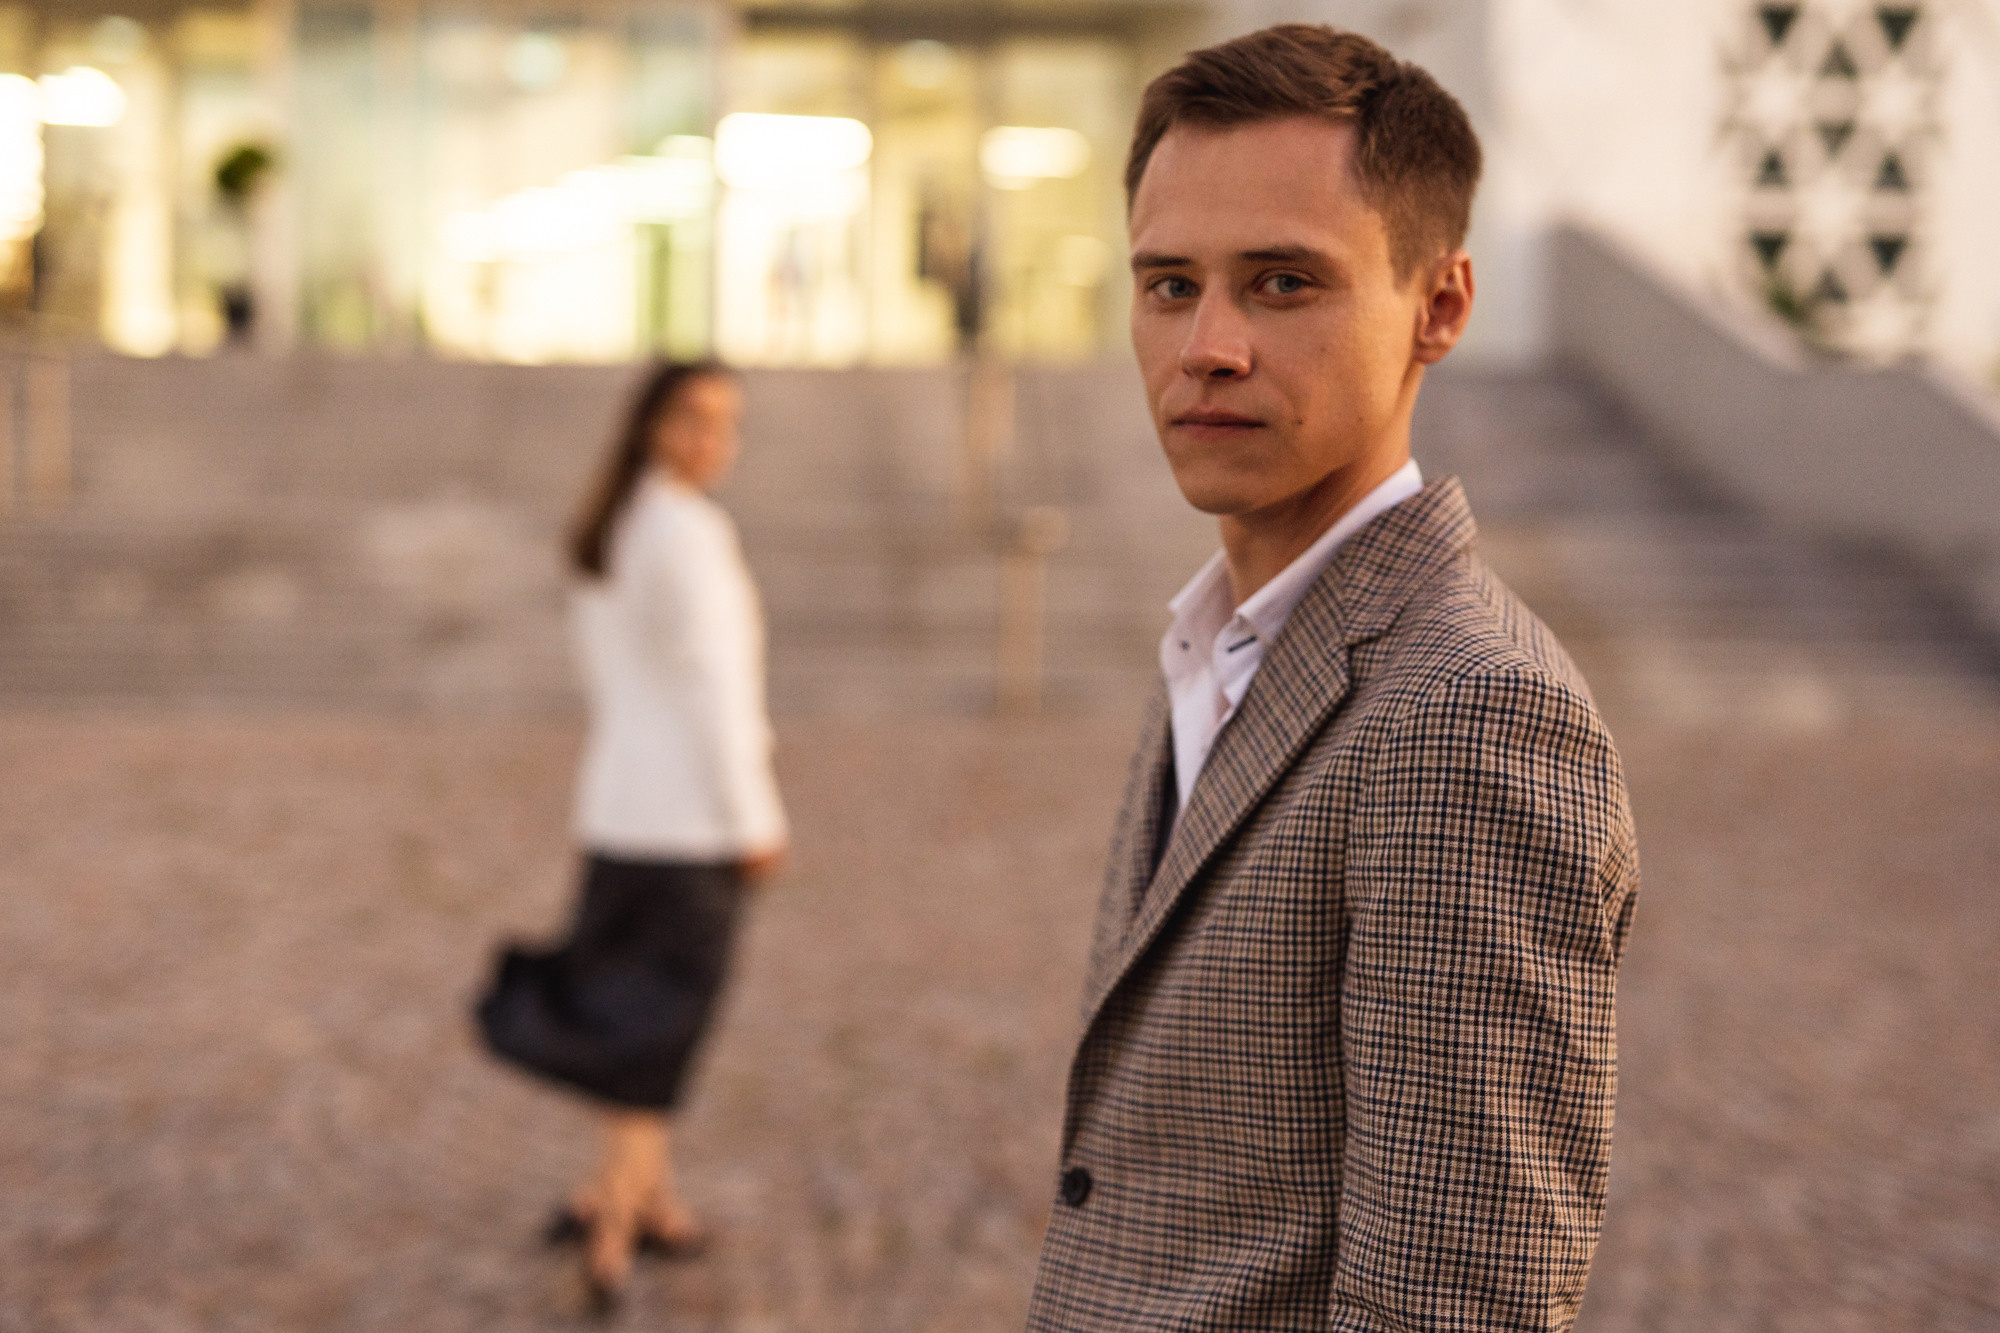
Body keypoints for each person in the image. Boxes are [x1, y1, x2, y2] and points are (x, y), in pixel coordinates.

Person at [1025, 26, 1639, 1331]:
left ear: (1443, 306)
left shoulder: (1470, 713)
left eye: (1285, 283)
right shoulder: (1220, 638)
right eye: (1169, 283)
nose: (1209, 344)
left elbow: (1459, 1299)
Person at [477, 361, 787, 1312]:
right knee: (656, 1032)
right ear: (650, 422)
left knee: (632, 1014)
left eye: (726, 421)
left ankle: (645, 1194)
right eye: (693, 416)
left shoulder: (616, 521)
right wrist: (754, 816)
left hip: (618, 811)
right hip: (687, 825)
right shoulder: (688, 534)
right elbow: (713, 694)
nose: (711, 438)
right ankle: (615, 1216)